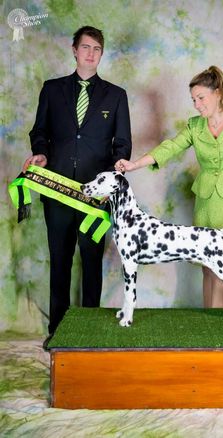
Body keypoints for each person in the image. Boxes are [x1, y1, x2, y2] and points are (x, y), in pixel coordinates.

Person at [115, 66, 223, 308]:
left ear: (218, 93)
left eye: (201, 98)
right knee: (206, 266)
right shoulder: (195, 126)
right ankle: (209, 319)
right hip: (204, 202)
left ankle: (218, 322)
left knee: (222, 267)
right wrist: (134, 165)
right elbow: (170, 147)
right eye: (193, 100)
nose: (196, 104)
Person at [22, 26, 132, 347]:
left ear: (101, 53)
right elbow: (38, 130)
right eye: (86, 47)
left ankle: (90, 331)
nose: (91, 54)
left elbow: (122, 144)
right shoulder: (52, 89)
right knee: (60, 262)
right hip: (57, 191)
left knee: (92, 263)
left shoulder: (116, 95)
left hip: (96, 200)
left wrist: (113, 177)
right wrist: (40, 152)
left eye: (97, 49)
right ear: (74, 50)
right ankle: (57, 331)